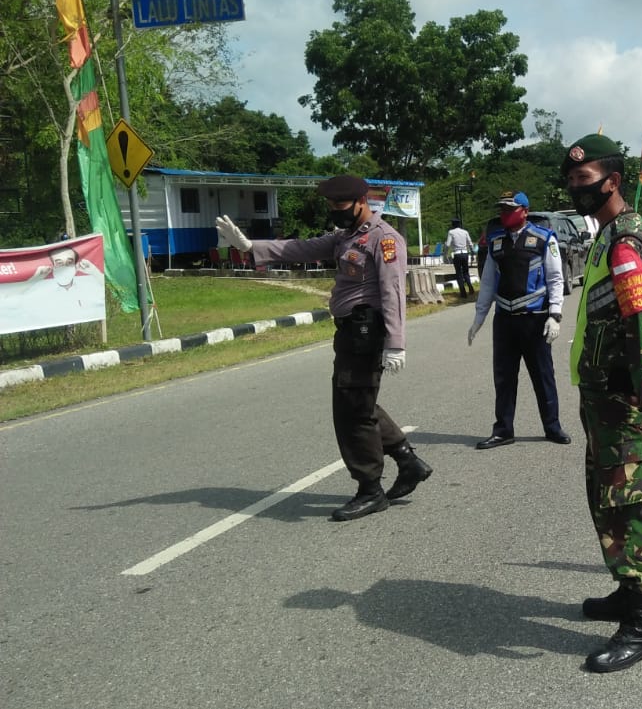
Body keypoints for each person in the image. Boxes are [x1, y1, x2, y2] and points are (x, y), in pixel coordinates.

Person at [214, 175, 432, 522]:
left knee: (351, 414)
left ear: (361, 201)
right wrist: (249, 245)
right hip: (349, 332)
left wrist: (396, 343)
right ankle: (407, 461)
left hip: (366, 333)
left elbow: (392, 293)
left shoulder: (384, 239)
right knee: (360, 401)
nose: (335, 212)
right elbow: (298, 248)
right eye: (331, 206)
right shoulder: (345, 237)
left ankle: (370, 489)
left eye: (341, 206)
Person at [561, 133, 642, 673]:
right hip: (604, 397)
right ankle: (626, 590)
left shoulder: (624, 243)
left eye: (584, 181)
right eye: (570, 180)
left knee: (624, 505)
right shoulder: (611, 233)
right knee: (603, 497)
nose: (575, 189)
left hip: (622, 398)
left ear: (612, 182)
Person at [467, 189, 570, 449]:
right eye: (501, 209)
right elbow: (488, 280)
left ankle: (552, 426)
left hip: (535, 319)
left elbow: (556, 278)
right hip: (504, 320)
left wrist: (555, 315)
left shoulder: (544, 238)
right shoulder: (496, 241)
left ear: (524, 211)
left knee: (543, 375)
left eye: (509, 209)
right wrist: (479, 317)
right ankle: (503, 430)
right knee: (503, 378)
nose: (504, 214)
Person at [445, 218, 475, 298]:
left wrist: (445, 254)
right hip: (465, 253)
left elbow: (448, 244)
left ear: (452, 225)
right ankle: (470, 287)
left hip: (457, 254)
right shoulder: (465, 232)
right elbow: (470, 243)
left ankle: (463, 292)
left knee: (459, 273)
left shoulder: (451, 232)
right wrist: (472, 253)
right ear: (460, 224)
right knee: (466, 271)